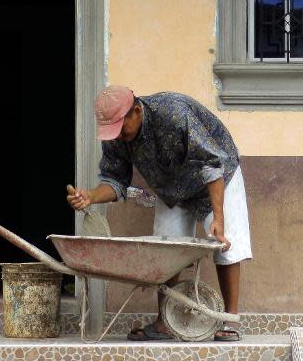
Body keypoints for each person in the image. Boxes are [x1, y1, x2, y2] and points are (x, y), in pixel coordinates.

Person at [66, 85, 252, 341]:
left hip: (219, 173)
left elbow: (212, 163)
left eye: (121, 128)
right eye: (112, 131)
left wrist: (218, 218)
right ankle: (165, 322)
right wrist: (91, 196)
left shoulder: (173, 113)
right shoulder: (116, 138)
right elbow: (114, 180)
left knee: (225, 243)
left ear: (137, 111)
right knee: (164, 248)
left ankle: (230, 320)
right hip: (173, 186)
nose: (117, 136)